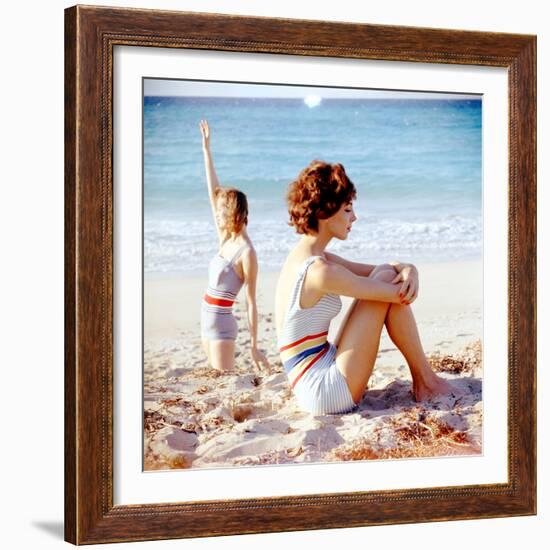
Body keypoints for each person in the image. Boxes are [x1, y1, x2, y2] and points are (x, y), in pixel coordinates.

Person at [275, 160, 454, 415]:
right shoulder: (320, 272)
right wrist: (406, 277)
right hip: (325, 391)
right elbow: (396, 293)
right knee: (385, 282)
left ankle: (425, 380)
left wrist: (408, 268)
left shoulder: (308, 257)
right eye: (348, 209)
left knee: (383, 274)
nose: (354, 217)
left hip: (314, 372)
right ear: (326, 211)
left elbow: (379, 270)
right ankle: (426, 382)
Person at [199, 120, 269, 372]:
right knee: (213, 379)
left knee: (224, 380)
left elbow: (251, 302)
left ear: (230, 214)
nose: (215, 215)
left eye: (220, 212)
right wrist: (207, 151)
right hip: (205, 319)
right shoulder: (224, 237)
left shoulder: (247, 253)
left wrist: (253, 345)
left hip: (221, 327)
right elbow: (213, 191)